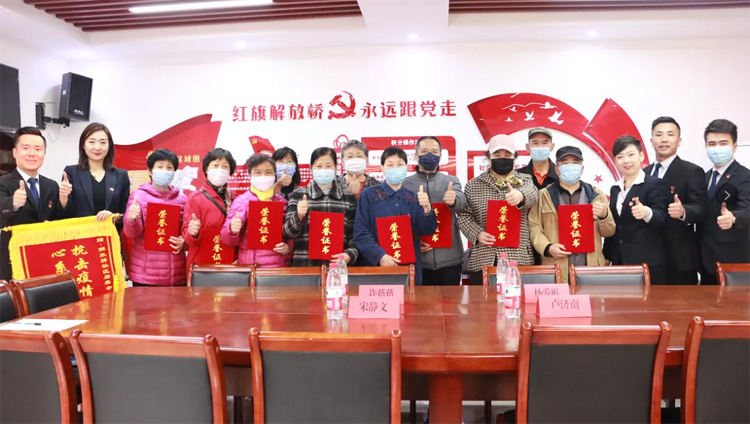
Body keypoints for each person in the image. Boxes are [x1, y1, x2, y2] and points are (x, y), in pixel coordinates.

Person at [457, 134, 538, 285]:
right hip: (484, 257)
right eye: (497, 155)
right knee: (482, 299)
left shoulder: (525, 180)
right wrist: (477, 234)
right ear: (489, 157)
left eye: (507, 155)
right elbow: (464, 215)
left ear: (515, 158)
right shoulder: (474, 185)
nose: (502, 158)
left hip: (518, 257)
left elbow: (533, 194)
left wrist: (521, 195)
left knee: (516, 299)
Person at [529, 146, 616, 283]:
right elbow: (534, 227)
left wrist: (604, 216)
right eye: (565, 163)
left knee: (590, 297)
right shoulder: (544, 195)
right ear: (557, 169)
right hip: (556, 266)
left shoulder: (596, 195)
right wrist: (548, 247)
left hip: (590, 267)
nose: (570, 166)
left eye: (575, 162)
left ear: (582, 168)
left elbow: (609, 232)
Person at [353, 147, 437, 285]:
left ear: (406, 167)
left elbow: (426, 230)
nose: (395, 168)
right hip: (376, 269)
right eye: (390, 165)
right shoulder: (368, 195)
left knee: (409, 299)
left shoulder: (414, 197)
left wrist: (427, 208)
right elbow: (361, 232)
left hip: (409, 269)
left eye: (399, 164)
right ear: (382, 168)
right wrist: (380, 256)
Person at [644, 117, 706, 285]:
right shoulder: (644, 173)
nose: (664, 139)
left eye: (670, 134)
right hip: (649, 257)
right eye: (659, 135)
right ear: (651, 141)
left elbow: (701, 208)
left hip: (680, 259)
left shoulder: (692, 171)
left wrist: (684, 211)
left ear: (679, 141)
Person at [603, 136, 669, 285]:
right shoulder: (615, 189)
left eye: (631, 155)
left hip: (647, 261)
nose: (626, 161)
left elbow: (662, 217)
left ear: (641, 156)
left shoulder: (654, 184)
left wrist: (646, 213)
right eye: (620, 157)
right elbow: (615, 225)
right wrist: (607, 255)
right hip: (620, 260)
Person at [0, 127, 64, 280]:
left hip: (46, 257)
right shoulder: (3, 182)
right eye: (26, 148)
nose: (32, 153)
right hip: (13, 260)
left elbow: (59, 219)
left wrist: (64, 201)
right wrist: (13, 203)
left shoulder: (51, 185)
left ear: (44, 154)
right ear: (15, 152)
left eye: (38, 149)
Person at [402, 136, 467, 286]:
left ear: (440, 156)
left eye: (434, 151)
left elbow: (461, 202)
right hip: (419, 260)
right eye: (424, 151)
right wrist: (413, 243)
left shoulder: (450, 181)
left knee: (451, 301)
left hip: (450, 259)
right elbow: (400, 219)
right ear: (416, 155)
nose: (430, 155)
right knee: (420, 301)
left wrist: (454, 200)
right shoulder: (405, 184)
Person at [283, 147, 358, 267]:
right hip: (305, 267)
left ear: (336, 168)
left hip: (337, 267)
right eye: (319, 166)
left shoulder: (348, 198)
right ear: (311, 168)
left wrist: (350, 254)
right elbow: (287, 233)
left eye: (328, 166)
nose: (323, 170)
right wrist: (299, 216)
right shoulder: (299, 195)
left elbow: (355, 235)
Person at [123, 149, 187, 286]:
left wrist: (184, 242)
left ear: (174, 172)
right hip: (145, 275)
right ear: (150, 171)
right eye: (160, 167)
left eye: (169, 168)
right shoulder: (138, 196)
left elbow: (186, 232)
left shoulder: (182, 199)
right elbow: (131, 233)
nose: (164, 171)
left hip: (175, 273)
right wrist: (131, 219)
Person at [697, 119, 750, 285]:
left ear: (734, 146)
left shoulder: (745, 176)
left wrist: (733, 218)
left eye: (723, 143)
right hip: (705, 259)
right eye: (712, 144)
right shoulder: (703, 177)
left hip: (732, 260)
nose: (717, 148)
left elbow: (747, 209)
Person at [221, 154, 292, 267]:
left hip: (278, 267)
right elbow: (227, 240)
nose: (263, 176)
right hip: (251, 267)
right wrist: (231, 230)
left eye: (268, 172)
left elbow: (291, 234)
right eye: (258, 172)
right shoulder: (242, 202)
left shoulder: (283, 202)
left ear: (274, 175)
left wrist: (288, 247)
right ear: (250, 175)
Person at [60, 123, 130, 228]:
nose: (97, 147)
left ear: (109, 146)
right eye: (92, 142)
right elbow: (65, 216)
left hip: (110, 235)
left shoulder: (121, 175)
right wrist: (63, 198)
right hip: (81, 235)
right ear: (83, 145)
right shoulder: (71, 172)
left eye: (103, 142)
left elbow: (126, 214)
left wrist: (114, 217)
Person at [182, 148, 237, 277]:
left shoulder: (236, 199)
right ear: (207, 169)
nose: (220, 170)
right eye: (215, 165)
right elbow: (187, 237)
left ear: (230, 172)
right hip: (201, 267)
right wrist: (193, 232)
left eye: (225, 166)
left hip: (231, 264)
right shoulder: (195, 198)